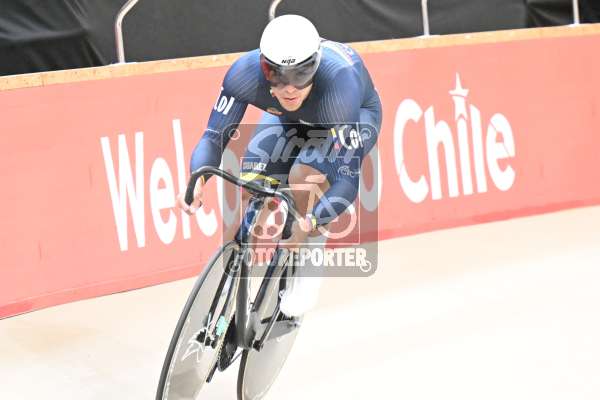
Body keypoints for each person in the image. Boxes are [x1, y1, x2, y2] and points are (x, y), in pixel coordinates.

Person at [177, 14, 382, 317]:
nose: (289, 88)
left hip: (353, 115)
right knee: (252, 186)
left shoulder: (340, 86)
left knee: (305, 178)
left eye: (301, 74)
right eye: (277, 75)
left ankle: (308, 267)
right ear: (264, 67)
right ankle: (236, 275)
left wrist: (309, 223)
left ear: (315, 65)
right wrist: (197, 178)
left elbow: (347, 180)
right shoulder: (243, 73)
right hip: (290, 119)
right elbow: (212, 138)